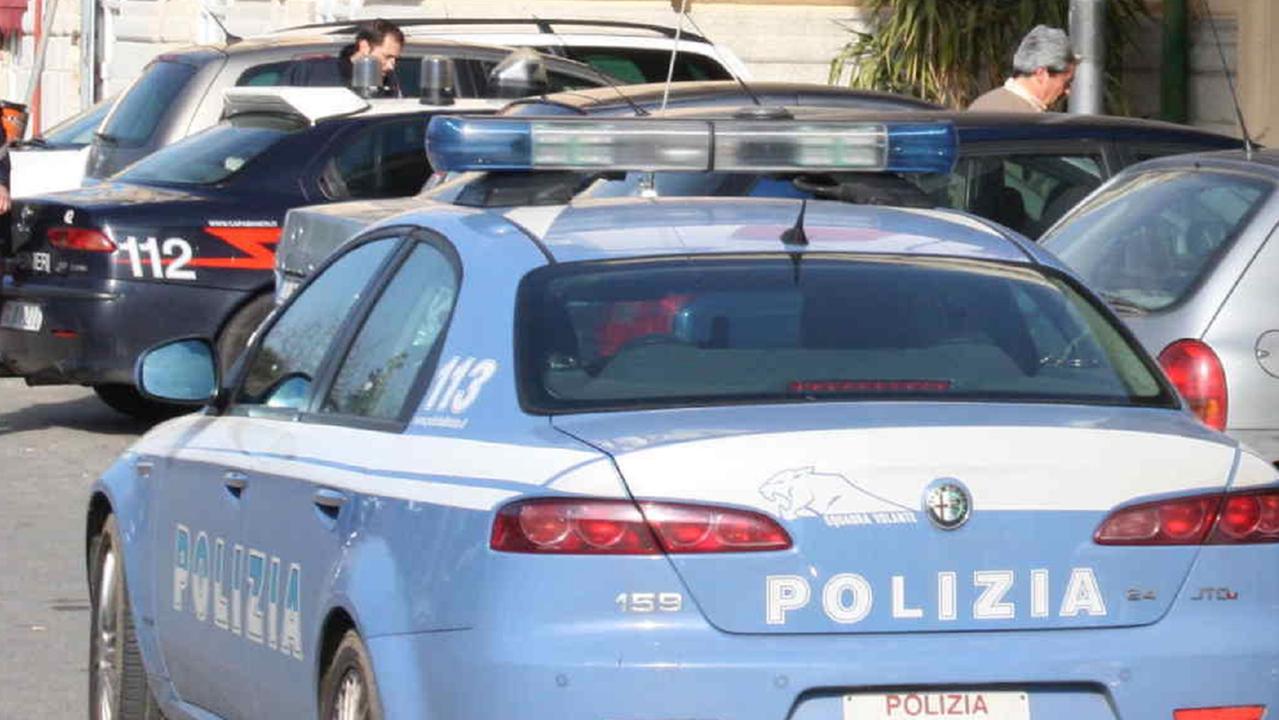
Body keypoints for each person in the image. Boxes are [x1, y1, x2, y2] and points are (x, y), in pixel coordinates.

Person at [969, 25, 1077, 113]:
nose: (1068, 91)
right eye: (1066, 82)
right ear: (1041, 74)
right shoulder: (1027, 119)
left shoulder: (980, 105)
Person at [285, 19, 405, 98]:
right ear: (364, 46)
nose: (391, 66)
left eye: (395, 59)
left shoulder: (390, 82)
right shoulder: (310, 72)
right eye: (387, 57)